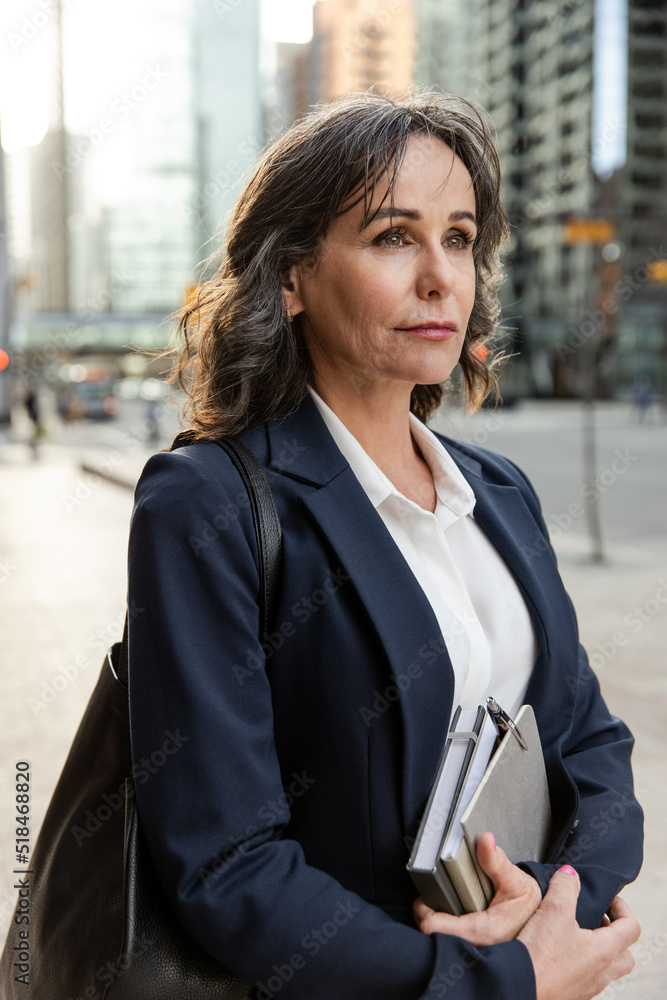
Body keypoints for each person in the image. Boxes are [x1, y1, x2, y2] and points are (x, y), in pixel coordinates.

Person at [127, 92, 643, 1000]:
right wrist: (495, 981)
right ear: (290, 276)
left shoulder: (498, 493)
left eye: (458, 238)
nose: (441, 276)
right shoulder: (204, 503)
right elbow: (227, 866)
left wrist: (555, 912)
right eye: (393, 237)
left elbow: (591, 746)